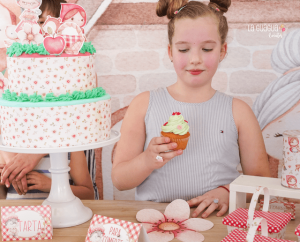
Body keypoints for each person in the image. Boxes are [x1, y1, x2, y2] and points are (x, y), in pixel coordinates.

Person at [111, 0, 271, 218]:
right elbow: (119, 181)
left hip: (217, 221)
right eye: (184, 49)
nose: (195, 59)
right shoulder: (144, 104)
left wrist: (228, 191)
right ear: (170, 52)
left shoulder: (239, 111)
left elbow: (261, 181)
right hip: (155, 219)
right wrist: (147, 160)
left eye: (207, 49)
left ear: (223, 51)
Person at [0, 0, 96, 200]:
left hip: (66, 145)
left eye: (51, 24)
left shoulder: (73, 65)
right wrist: (8, 157)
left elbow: (76, 117)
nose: (44, 31)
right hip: (17, 145)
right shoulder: (17, 66)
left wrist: (37, 153)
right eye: (38, 24)